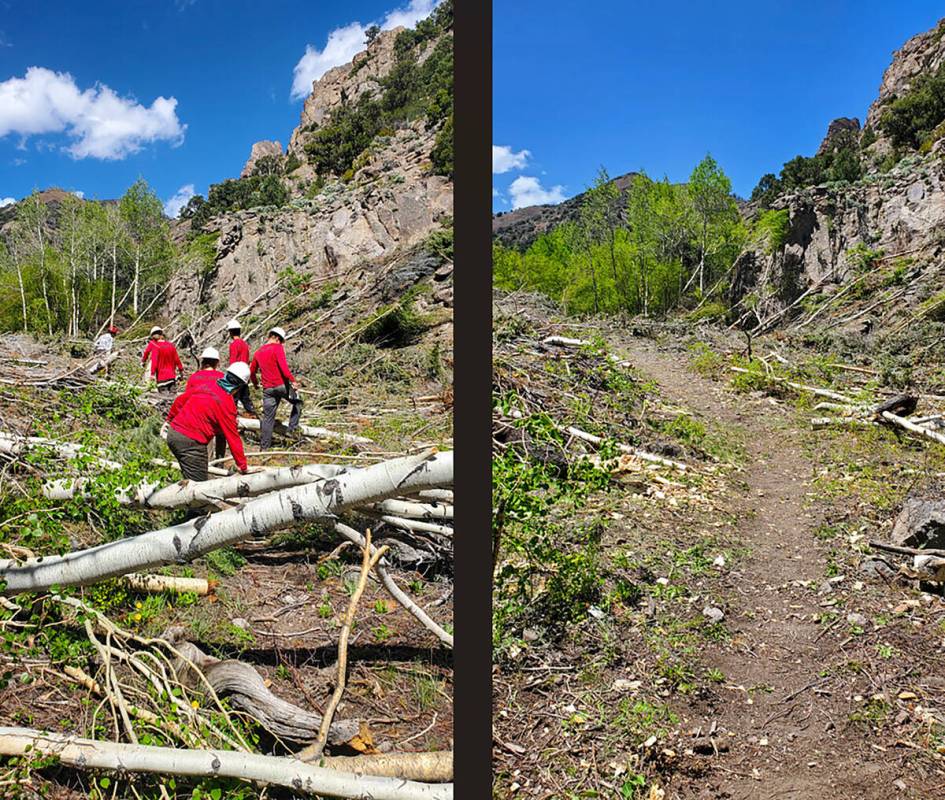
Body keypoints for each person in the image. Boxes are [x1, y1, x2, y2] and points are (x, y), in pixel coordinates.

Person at [165, 362, 250, 482]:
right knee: (198, 488)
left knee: (189, 477)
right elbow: (233, 437)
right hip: (191, 443)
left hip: (173, 434)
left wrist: (169, 420)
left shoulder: (207, 386)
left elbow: (179, 401)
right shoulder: (226, 403)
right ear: (240, 386)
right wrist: (243, 466)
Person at [250, 326, 303, 450]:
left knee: (268, 419)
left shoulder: (258, 352)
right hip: (281, 386)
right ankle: (291, 429)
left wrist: (256, 383)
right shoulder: (278, 348)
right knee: (298, 403)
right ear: (278, 338)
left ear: (270, 336)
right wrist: (293, 381)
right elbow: (284, 368)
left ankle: (264, 448)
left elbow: (252, 371)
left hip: (268, 389)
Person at [186, 347, 227, 459]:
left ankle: (207, 466)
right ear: (217, 363)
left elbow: (187, 399)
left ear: (203, 361)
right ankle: (219, 463)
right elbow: (227, 399)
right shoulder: (222, 378)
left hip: (200, 418)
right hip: (218, 416)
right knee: (221, 437)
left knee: (205, 445)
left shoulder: (194, 378)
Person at [226, 319, 256, 415]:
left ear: (230, 332)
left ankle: (231, 419)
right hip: (245, 374)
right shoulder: (245, 344)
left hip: (236, 374)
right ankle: (254, 415)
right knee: (245, 398)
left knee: (232, 399)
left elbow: (233, 361)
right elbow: (247, 360)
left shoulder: (234, 345)